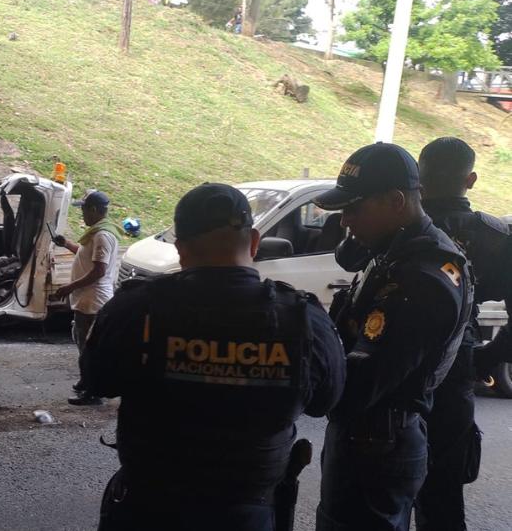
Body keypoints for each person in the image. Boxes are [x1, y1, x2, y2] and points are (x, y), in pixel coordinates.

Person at [82, 183, 346, 530]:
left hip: (147, 509)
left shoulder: (135, 308)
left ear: (180, 249)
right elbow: (325, 400)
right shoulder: (302, 318)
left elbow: (96, 380)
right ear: (253, 241)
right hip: (248, 513)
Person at [314, 142, 472, 531]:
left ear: (396, 201)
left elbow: (359, 384)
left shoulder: (423, 277)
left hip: (378, 440)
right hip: (371, 435)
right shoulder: (397, 250)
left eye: (354, 209)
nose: (346, 221)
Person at [414, 137, 512, 531]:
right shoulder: (497, 238)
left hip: (390, 365)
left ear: (419, 176)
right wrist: (483, 359)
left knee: (375, 491)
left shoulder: (400, 229)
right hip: (456, 369)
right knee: (443, 493)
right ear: (470, 179)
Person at [53, 190, 121, 406]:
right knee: (82, 342)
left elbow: (99, 270)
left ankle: (93, 392)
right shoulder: (95, 233)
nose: (82, 214)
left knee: (90, 347)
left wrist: (69, 287)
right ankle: (86, 381)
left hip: (94, 300)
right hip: (86, 299)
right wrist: (66, 244)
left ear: (93, 210)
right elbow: (86, 257)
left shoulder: (102, 235)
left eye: (83, 209)